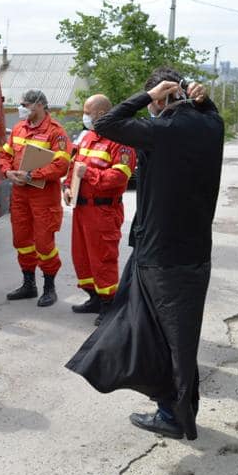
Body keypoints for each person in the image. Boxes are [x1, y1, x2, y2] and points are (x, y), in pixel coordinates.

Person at [65, 67, 224, 441]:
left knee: (157, 337)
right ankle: (179, 411)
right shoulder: (211, 125)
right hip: (195, 251)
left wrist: (145, 97)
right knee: (181, 339)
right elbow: (209, 112)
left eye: (153, 99)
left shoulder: (162, 131)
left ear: (160, 97)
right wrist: (201, 97)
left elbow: (105, 123)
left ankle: (171, 413)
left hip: (162, 255)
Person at [65, 94, 136, 326]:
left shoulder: (121, 142)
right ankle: (94, 298)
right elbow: (73, 167)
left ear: (102, 114)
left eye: (88, 112)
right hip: (81, 210)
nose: (85, 116)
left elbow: (119, 177)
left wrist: (91, 174)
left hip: (103, 212)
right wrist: (67, 188)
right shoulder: (86, 138)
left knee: (102, 259)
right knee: (82, 257)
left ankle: (109, 305)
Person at [0, 89, 71, 307]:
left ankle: (49, 287)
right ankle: (28, 284)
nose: (22, 108)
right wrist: (8, 172)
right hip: (20, 194)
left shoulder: (55, 132)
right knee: (21, 240)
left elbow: (61, 165)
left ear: (40, 105)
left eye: (26, 104)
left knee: (43, 243)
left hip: (43, 197)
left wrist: (32, 175)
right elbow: (5, 155)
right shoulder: (19, 128)